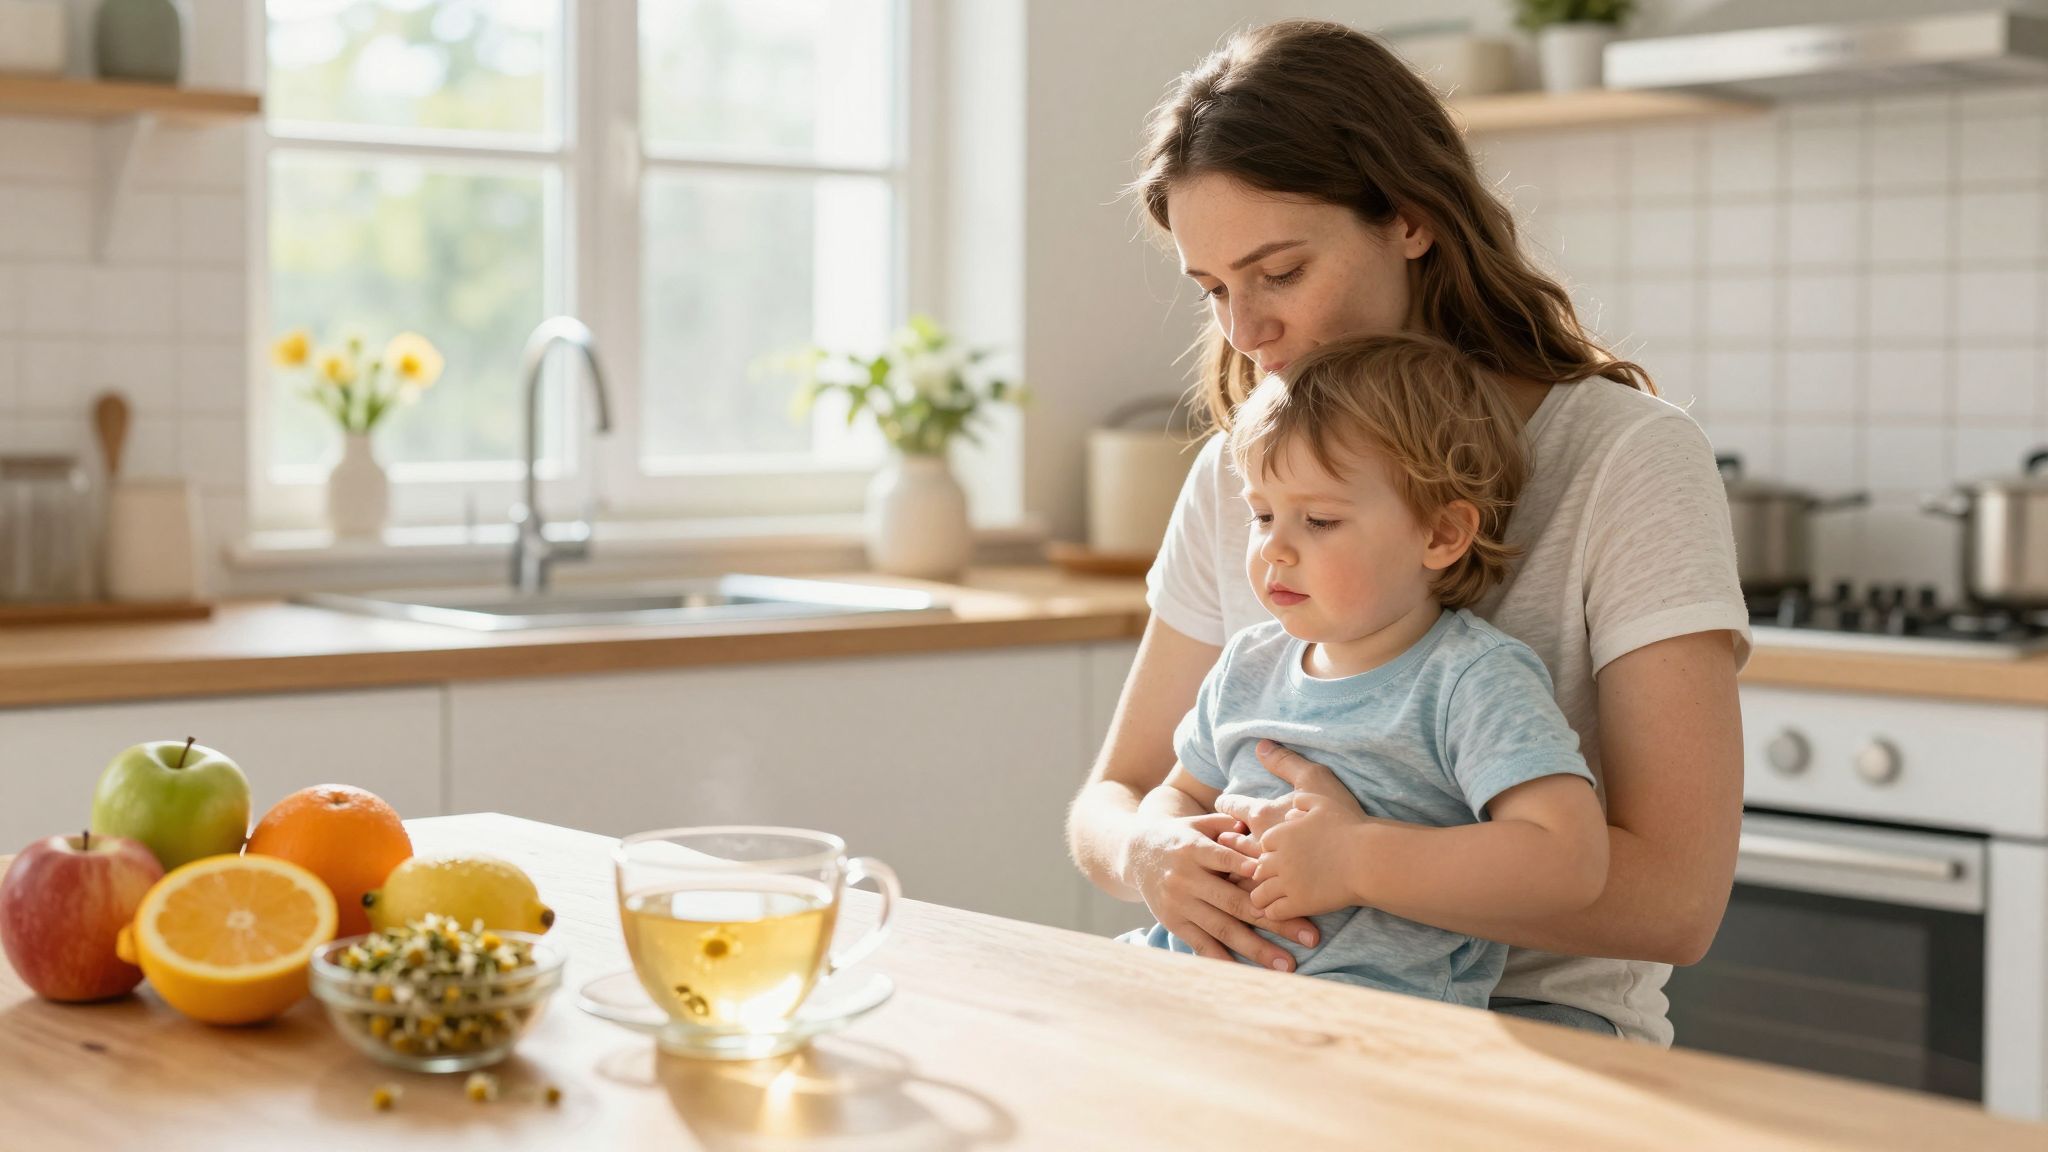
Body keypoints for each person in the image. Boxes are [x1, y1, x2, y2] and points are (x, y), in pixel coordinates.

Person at [1066, 18, 1749, 1043]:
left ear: (1411, 220)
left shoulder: (1621, 456)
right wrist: (1150, 858)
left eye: (1280, 273)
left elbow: (1675, 903)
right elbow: (1114, 795)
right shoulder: (1239, 476)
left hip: (1530, 1034)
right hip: (1251, 1015)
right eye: (1212, 290)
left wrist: (1354, 864)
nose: (1244, 334)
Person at [1127, 333, 1608, 1011]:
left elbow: (1570, 861)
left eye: (1319, 519)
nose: (1274, 549)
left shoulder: (1470, 681)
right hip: (1192, 992)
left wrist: (1352, 860)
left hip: (1363, 1023)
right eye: (1261, 514)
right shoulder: (1248, 664)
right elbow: (1178, 793)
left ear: (1441, 535)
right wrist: (1158, 842)